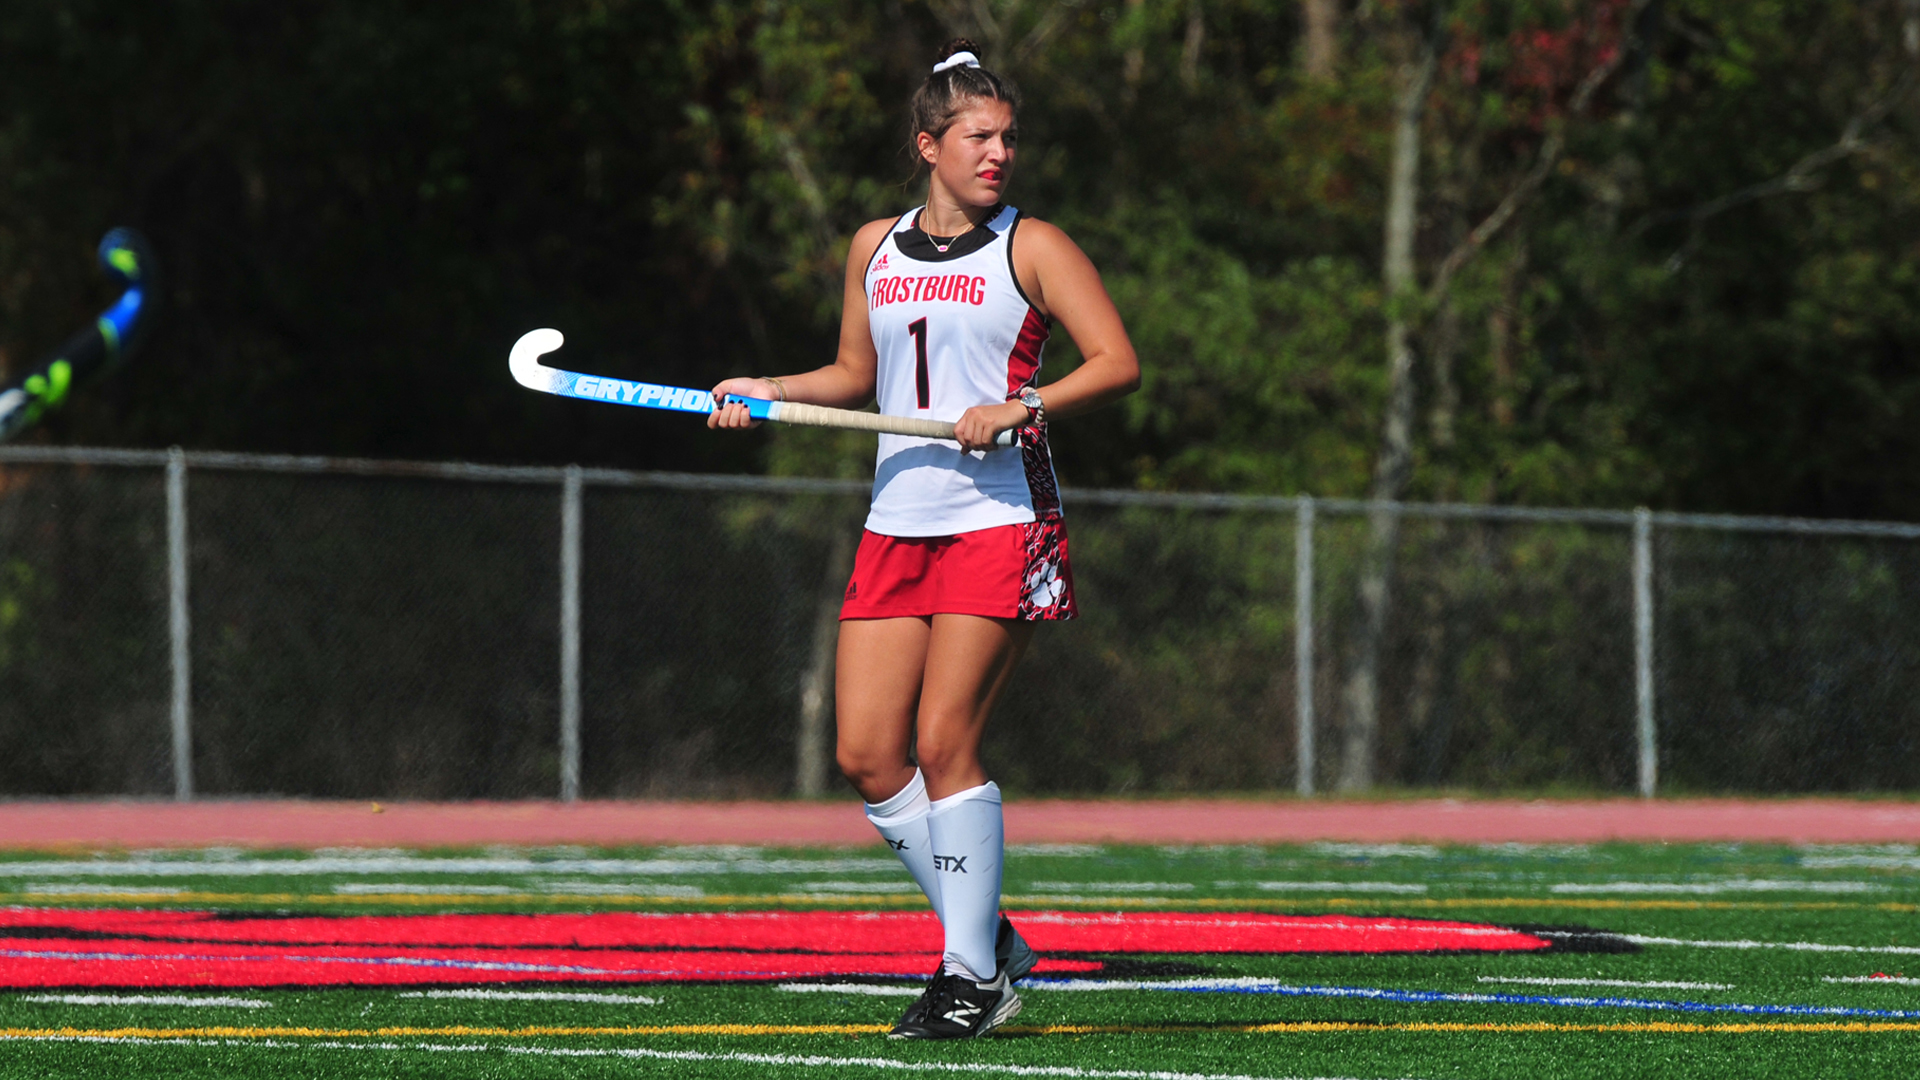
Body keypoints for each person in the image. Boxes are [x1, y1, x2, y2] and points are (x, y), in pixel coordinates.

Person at [709, 38, 1139, 1039]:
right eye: (979, 137)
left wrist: (1022, 405)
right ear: (928, 145)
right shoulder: (876, 245)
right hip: (897, 520)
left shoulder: (1033, 246)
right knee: (867, 754)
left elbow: (1116, 362)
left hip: (1002, 518)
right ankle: (983, 930)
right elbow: (853, 375)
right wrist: (765, 390)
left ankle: (970, 977)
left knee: (945, 742)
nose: (999, 154)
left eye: (1008, 138)